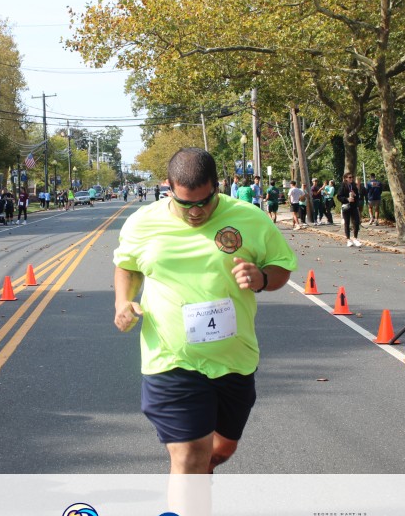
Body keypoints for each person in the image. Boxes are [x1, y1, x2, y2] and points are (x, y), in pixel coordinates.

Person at [113, 147, 297, 477]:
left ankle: (198, 482)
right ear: (168, 187)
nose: (196, 212)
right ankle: (190, 507)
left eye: (204, 201)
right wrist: (122, 302)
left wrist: (262, 278)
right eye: (185, 203)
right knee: (189, 456)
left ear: (217, 186)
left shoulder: (250, 218)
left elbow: (281, 266)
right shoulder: (142, 223)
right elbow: (127, 266)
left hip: (234, 360)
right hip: (170, 360)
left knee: (221, 450)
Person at [337, 172, 363, 247]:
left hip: (353, 206)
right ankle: (348, 239)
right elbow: (339, 196)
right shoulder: (343, 186)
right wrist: (347, 199)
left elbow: (358, 196)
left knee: (356, 222)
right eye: (349, 177)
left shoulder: (354, 186)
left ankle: (355, 238)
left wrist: (355, 195)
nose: (351, 179)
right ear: (346, 178)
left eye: (352, 177)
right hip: (346, 207)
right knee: (347, 223)